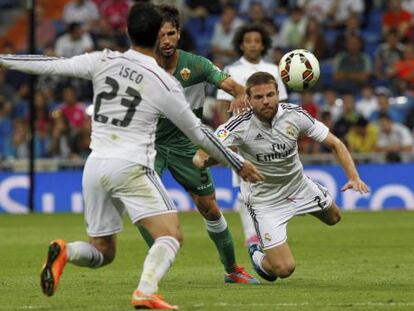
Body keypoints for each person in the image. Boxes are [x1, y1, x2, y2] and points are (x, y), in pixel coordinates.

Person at [0, 3, 264, 309]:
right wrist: (237, 163)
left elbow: (51, 64)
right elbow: (198, 132)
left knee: (102, 251)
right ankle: (147, 290)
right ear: (156, 35)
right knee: (171, 236)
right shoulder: (162, 80)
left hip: (95, 166)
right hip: (132, 165)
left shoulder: (102, 59)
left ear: (128, 32)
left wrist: (4, 59)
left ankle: (67, 251)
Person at [194, 72, 369, 282]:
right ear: (248, 100)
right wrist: (235, 161)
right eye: (258, 97)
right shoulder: (237, 125)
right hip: (265, 201)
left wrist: (353, 177)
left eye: (270, 95)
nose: (266, 101)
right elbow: (201, 157)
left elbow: (335, 144)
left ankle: (278, 237)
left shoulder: (295, 115)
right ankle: (257, 254)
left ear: (279, 94)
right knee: (283, 270)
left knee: (334, 218)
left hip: (299, 187)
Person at [136, 4, 258, 285]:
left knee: (210, 208)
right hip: (147, 143)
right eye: (160, 35)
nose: (165, 40)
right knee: (144, 205)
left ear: (178, 34)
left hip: (185, 143)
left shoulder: (198, 65)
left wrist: (240, 94)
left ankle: (231, 270)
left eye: (170, 33)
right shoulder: (141, 69)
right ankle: (157, 260)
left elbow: (233, 86)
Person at [216, 23, 288, 247]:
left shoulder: (274, 69)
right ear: (241, 44)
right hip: (242, 135)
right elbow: (221, 104)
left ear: (263, 44)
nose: (253, 45)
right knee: (244, 184)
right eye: (248, 41)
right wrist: (228, 138)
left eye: (257, 41)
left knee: (271, 184)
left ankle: (270, 232)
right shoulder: (232, 70)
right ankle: (251, 235)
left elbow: (281, 104)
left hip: (269, 135)